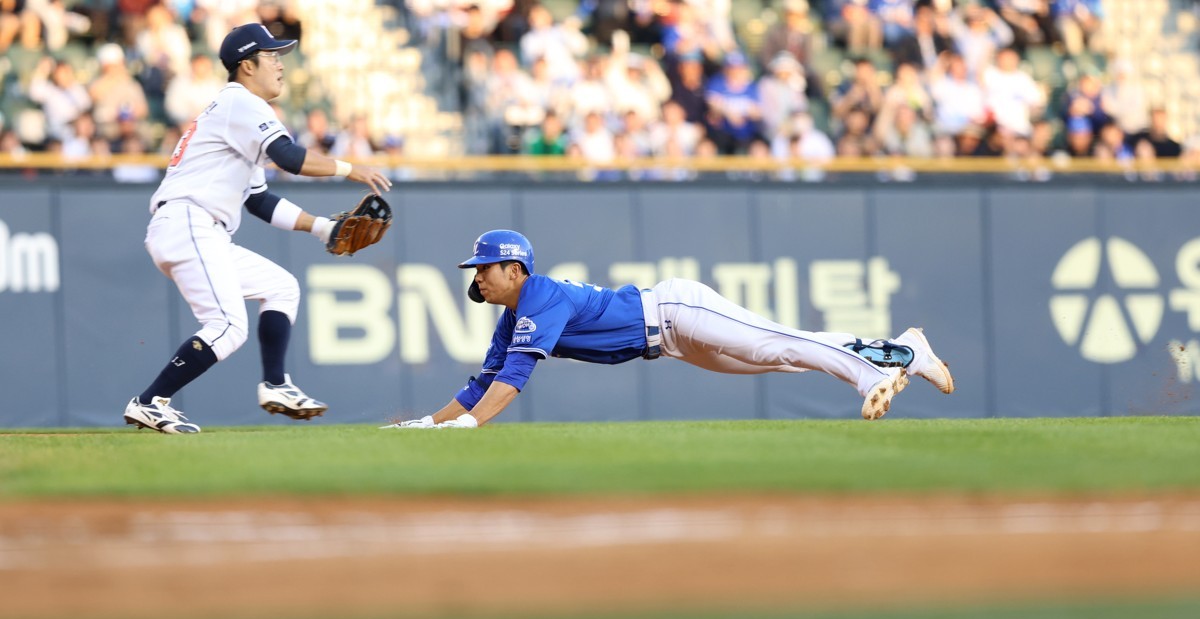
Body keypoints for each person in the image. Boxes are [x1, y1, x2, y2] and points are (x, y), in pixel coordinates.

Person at [384, 230, 955, 430]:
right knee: (781, 357)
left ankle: (872, 372)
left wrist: (466, 429)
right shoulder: (512, 318)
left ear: (514, 269)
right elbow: (480, 386)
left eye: (482, 266)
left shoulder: (540, 297)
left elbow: (511, 383)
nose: (476, 276)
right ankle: (906, 349)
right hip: (671, 343)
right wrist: (424, 424)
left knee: (776, 343)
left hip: (676, 311)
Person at [123, 23, 391, 435]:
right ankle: (149, 402)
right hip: (190, 221)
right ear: (247, 66)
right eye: (272, 56)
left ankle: (277, 386)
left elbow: (258, 201)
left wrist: (322, 228)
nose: (281, 65)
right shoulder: (241, 104)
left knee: (281, 287)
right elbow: (289, 157)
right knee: (229, 327)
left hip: (196, 227)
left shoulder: (236, 113)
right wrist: (351, 168)